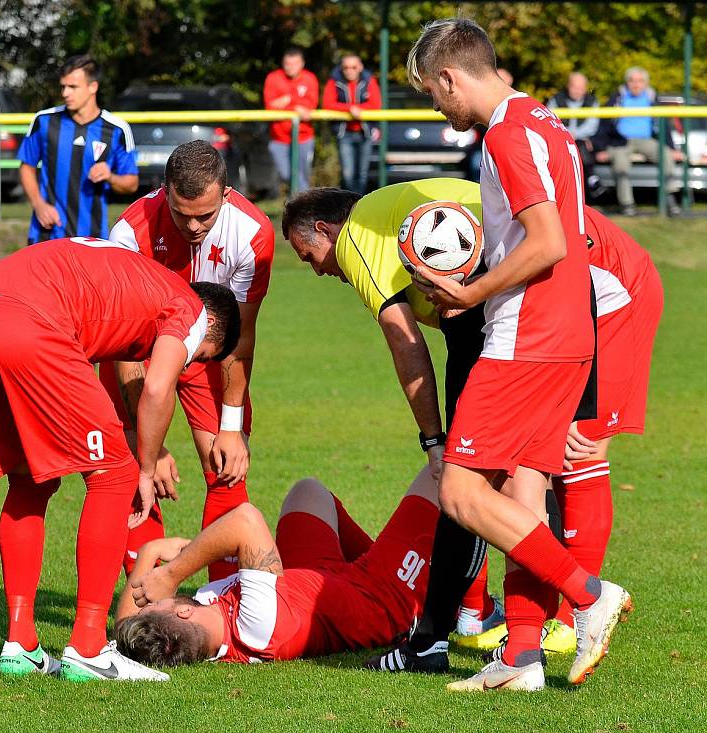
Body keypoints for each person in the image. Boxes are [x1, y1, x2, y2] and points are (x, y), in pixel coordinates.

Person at [402, 18, 632, 692]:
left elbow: (548, 241)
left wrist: (470, 291)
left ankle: (589, 595)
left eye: (434, 96)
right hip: (567, 333)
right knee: (521, 492)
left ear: (451, 77)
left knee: (462, 489)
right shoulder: (550, 122)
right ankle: (521, 659)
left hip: (526, 336)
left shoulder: (506, 132)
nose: (440, 111)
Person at [0, 236, 240, 681]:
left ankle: (20, 645)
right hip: (27, 326)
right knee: (115, 476)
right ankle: (89, 649)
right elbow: (157, 387)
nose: (188, 364)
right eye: (199, 358)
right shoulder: (191, 308)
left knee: (30, 482)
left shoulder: (138, 279)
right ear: (210, 322)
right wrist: (145, 465)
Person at [281, 179, 501, 673]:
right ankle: (537, 622)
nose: (316, 270)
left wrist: (434, 441)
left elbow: (406, 343)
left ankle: (433, 641)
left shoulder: (357, 238)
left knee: (465, 482)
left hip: (490, 312)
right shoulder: (388, 223)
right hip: (528, 298)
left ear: (324, 229)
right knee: (536, 466)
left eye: (307, 254)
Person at [457, 206, 664, 655]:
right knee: (528, 468)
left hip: (612, 300)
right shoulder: (486, 204)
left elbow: (557, 255)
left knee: (581, 452)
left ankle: (573, 618)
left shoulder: (510, 180)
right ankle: (532, 625)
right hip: (563, 313)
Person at [106, 140, 275, 581]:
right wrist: (151, 447)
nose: (195, 226)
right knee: (131, 470)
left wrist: (232, 426)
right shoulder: (130, 234)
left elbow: (242, 334)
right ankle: (144, 603)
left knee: (227, 466)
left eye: (207, 214)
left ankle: (223, 597)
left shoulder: (253, 234)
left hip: (207, 353)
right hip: (138, 352)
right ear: (164, 193)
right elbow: (124, 346)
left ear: (227, 194)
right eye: (183, 215)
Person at [114, 465, 439, 666]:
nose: (154, 598)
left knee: (308, 492)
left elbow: (125, 628)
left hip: (313, 583)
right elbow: (246, 521)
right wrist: (171, 573)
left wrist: (150, 550)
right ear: (182, 613)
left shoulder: (199, 628)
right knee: (447, 472)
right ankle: (462, 608)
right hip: (377, 599)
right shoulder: (256, 627)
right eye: (158, 603)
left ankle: (390, 557)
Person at [18, 55, 139, 245]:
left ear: (93, 87)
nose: (65, 93)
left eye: (73, 87)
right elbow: (27, 167)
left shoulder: (116, 129)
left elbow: (131, 183)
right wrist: (38, 204)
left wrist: (110, 177)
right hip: (46, 234)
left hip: (93, 238)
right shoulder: (44, 121)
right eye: (63, 86)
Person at [594, 66, 682, 217]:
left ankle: (670, 198)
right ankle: (627, 204)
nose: (636, 84)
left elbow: (663, 125)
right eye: (632, 81)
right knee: (620, 162)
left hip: (645, 140)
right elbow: (604, 123)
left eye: (640, 81)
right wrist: (600, 148)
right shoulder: (618, 98)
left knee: (666, 154)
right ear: (627, 82)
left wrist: (671, 147)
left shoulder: (651, 98)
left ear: (645, 83)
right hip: (621, 141)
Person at [322, 54, 382, 194]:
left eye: (353, 67)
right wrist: (350, 108)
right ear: (341, 68)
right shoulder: (334, 80)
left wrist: (358, 109)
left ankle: (359, 203)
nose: (350, 70)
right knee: (347, 174)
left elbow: (376, 104)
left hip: (364, 132)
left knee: (362, 173)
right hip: (344, 133)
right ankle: (349, 204)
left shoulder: (368, 80)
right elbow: (328, 103)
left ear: (360, 67)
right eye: (346, 67)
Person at [263, 47, 319, 194]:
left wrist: (287, 100)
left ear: (302, 64)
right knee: (287, 174)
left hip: (303, 137)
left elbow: (309, 108)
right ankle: (306, 201)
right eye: (287, 63)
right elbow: (270, 107)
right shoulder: (273, 78)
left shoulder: (309, 78)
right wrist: (297, 105)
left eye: (294, 63)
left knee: (302, 175)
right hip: (279, 138)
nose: (290, 67)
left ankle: (302, 206)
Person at [547, 72, 606, 202]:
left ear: (585, 88)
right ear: (568, 86)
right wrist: (567, 135)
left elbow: (592, 125)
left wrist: (575, 135)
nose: (577, 91)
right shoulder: (556, 99)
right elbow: (550, 121)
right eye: (574, 87)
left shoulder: (592, 101)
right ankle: (591, 178)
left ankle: (584, 190)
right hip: (560, 139)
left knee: (581, 145)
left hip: (583, 140)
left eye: (581, 88)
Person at [465, 68, 512, 182]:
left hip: (507, 147)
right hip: (483, 146)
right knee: (477, 163)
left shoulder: (512, 104)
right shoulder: (482, 101)